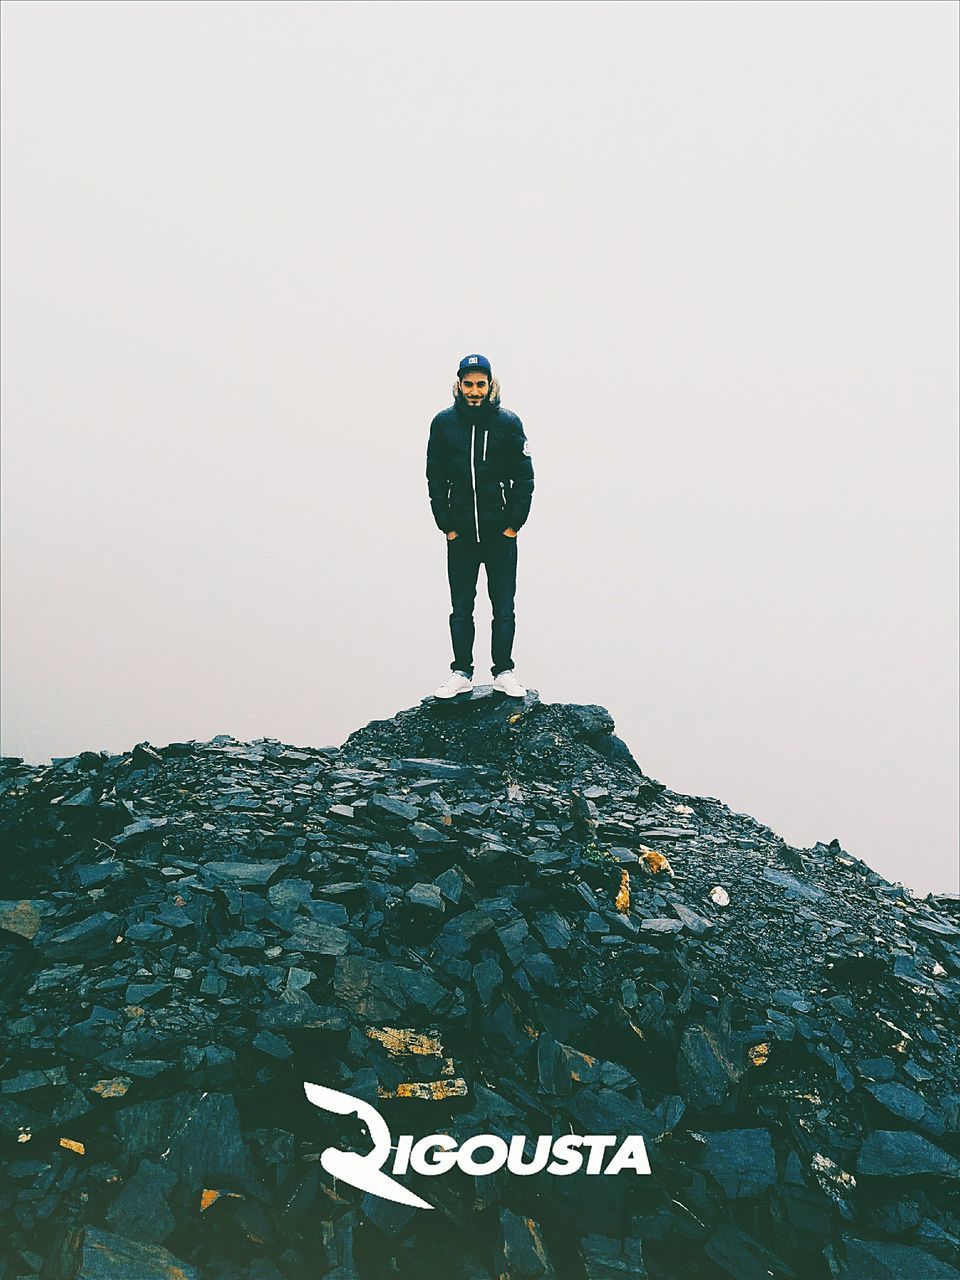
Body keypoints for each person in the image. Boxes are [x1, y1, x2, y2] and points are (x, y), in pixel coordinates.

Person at [426, 354, 534, 699]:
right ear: (459, 385)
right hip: (461, 536)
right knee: (461, 606)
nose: (474, 391)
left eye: (480, 384)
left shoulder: (508, 423)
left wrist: (513, 524)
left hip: (499, 534)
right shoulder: (443, 424)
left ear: (490, 385)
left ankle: (504, 671)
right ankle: (461, 672)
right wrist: (447, 524)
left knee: (503, 606)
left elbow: (525, 477)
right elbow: (435, 476)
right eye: (468, 384)